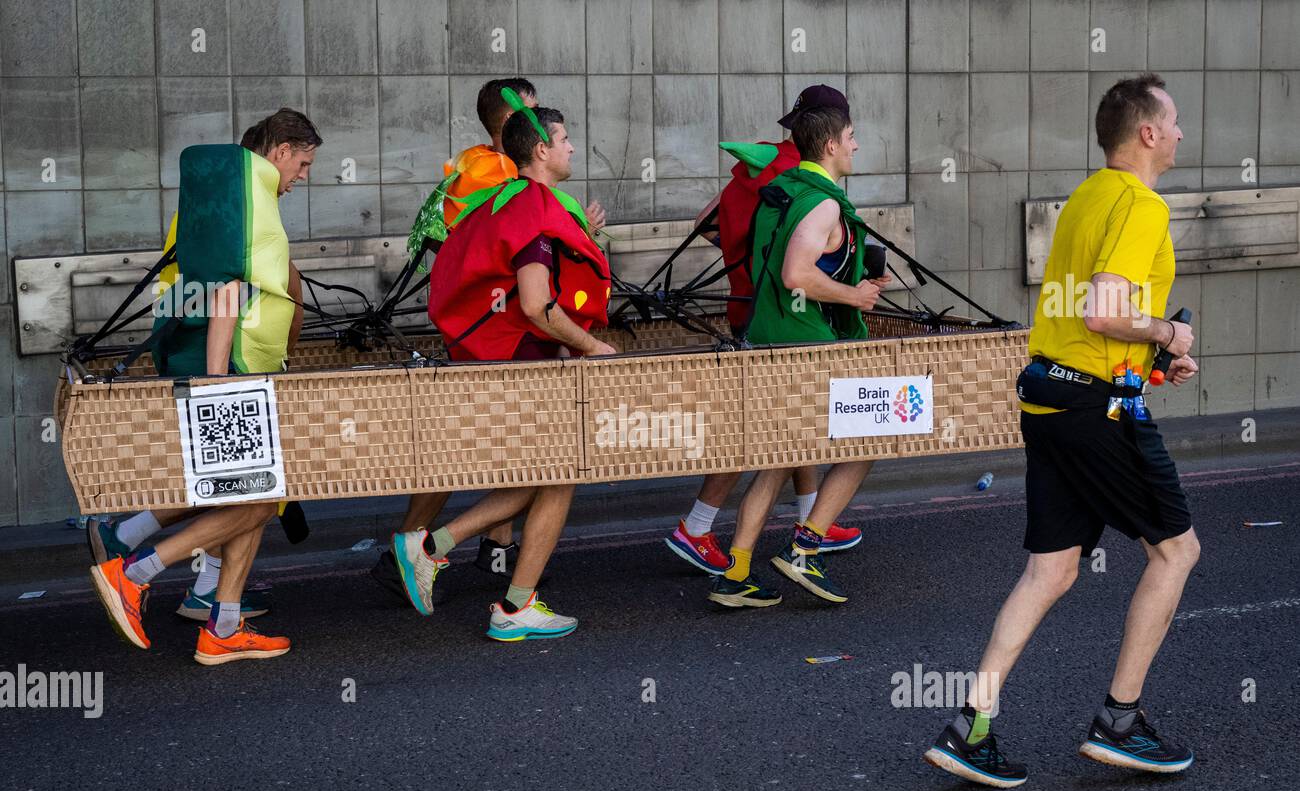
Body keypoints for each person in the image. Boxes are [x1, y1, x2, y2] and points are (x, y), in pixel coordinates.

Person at [924, 73, 1199, 788]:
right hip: (1096, 408)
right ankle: (1121, 721)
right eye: (1171, 123)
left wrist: (1152, 357)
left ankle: (970, 726)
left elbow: (1085, 319)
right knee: (1176, 552)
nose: (1178, 134)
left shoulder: (1085, 197)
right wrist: (1168, 332)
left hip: (1049, 395)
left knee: (1052, 569)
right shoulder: (1140, 203)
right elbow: (1107, 312)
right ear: (1145, 133)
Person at [88, 109, 322, 665]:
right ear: (283, 150)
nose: (305, 176)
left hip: (233, 364)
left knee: (249, 497)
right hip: (236, 368)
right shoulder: (251, 205)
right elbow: (228, 287)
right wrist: (218, 382)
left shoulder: (238, 199)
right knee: (261, 500)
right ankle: (135, 573)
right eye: (305, 163)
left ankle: (223, 625)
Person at [371, 77, 608, 602]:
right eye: (565, 138)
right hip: (518, 355)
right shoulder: (524, 201)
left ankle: (466, 565)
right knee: (549, 471)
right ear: (538, 146)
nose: (572, 147)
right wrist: (591, 346)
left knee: (539, 472)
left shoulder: (498, 191)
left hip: (491, 350)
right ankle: (484, 581)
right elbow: (534, 303)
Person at [665, 86, 862, 576]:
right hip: (785, 315)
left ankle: (803, 521)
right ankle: (705, 525)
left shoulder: (762, 167)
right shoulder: (799, 175)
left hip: (751, 309)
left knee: (782, 433)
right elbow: (799, 269)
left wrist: (746, 264)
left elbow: (704, 224)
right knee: (762, 433)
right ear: (832, 134)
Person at [709, 105, 889, 609]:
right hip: (808, 343)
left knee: (782, 456)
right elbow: (796, 275)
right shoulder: (824, 204)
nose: (856, 145)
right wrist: (855, 297)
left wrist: (851, 281)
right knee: (873, 435)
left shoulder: (780, 193)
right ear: (830, 145)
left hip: (769, 334)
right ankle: (806, 547)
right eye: (851, 137)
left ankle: (736, 572)